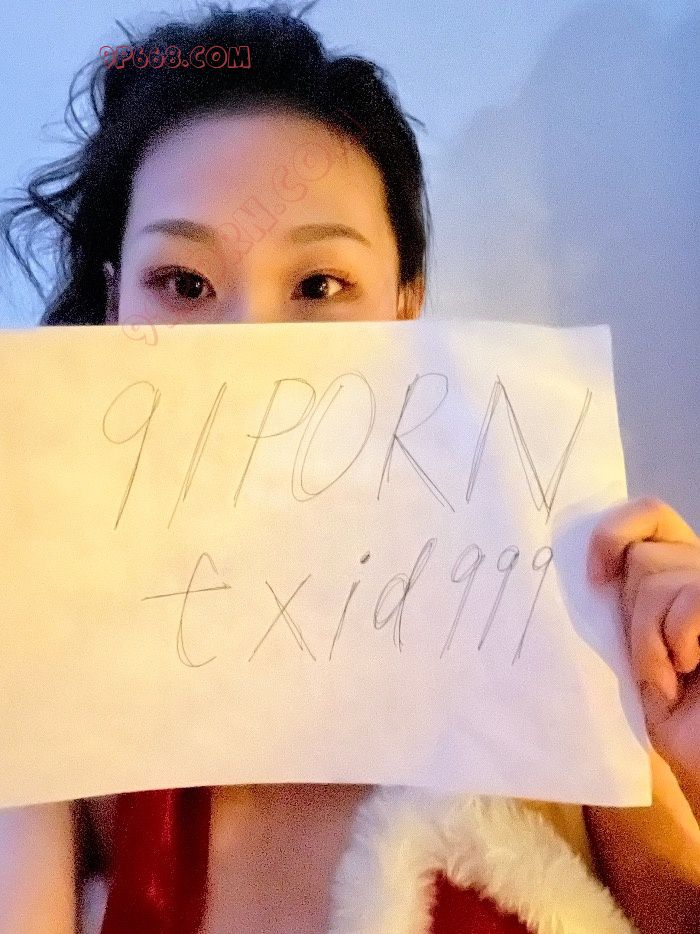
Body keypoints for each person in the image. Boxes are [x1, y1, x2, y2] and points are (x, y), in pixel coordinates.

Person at [1, 3, 699, 932]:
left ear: (407, 306)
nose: (252, 350)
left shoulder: (562, 621)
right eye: (183, 284)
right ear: (114, 303)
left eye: (320, 285)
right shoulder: (59, 679)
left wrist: (684, 745)